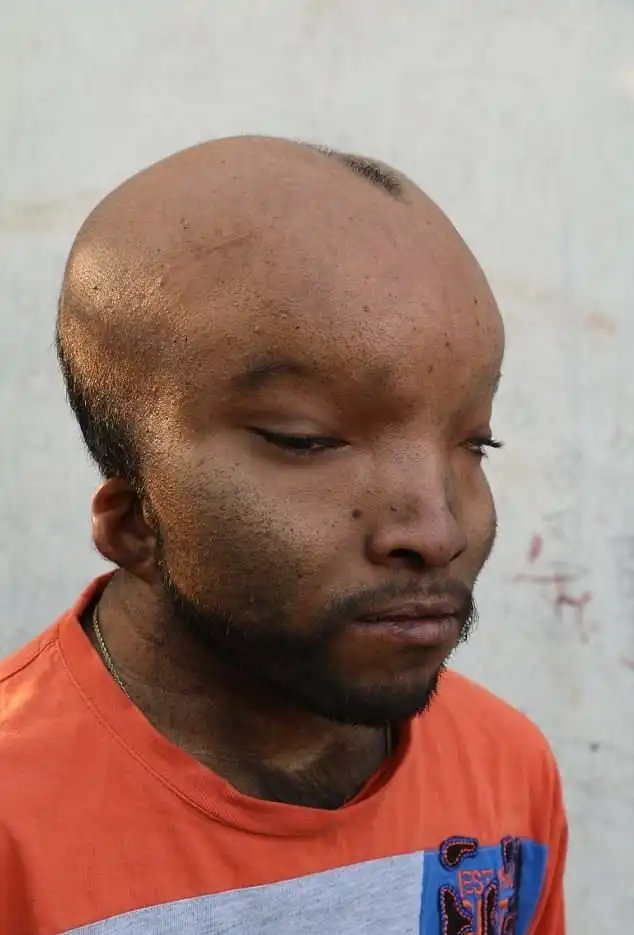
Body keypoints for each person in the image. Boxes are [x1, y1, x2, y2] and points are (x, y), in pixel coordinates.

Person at [0, 136, 567, 935]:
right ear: (133, 519)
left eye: (474, 442)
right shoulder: (18, 820)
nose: (437, 530)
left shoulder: (506, 774)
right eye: (309, 439)